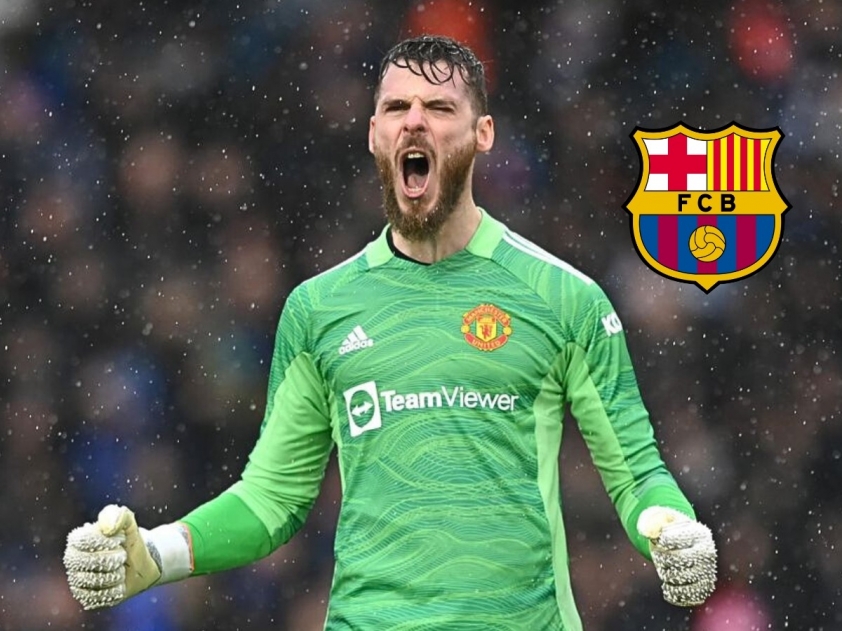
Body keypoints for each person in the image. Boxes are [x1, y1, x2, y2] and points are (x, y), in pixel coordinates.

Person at [63, 35, 717, 630]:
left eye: (439, 107)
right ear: (375, 134)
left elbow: (637, 476)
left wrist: (674, 531)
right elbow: (271, 498)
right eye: (397, 107)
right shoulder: (319, 309)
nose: (414, 121)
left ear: (483, 134)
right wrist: (157, 552)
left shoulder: (564, 298)